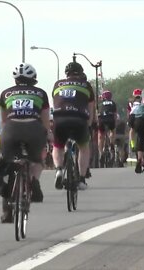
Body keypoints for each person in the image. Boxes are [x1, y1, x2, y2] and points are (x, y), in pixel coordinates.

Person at [0, 63, 50, 223]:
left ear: (16, 80)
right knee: (37, 160)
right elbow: (45, 122)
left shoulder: (5, 93)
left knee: (9, 164)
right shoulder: (41, 93)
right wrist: (48, 136)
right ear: (33, 79)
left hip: (11, 130)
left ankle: (6, 211)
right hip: (34, 129)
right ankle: (34, 181)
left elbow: (4, 122)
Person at [52, 62, 95, 190]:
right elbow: (91, 109)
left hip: (60, 119)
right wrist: (89, 125)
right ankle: (81, 179)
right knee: (83, 147)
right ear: (81, 73)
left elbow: (55, 102)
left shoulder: (57, 84)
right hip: (79, 119)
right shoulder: (86, 85)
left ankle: (59, 169)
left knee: (58, 146)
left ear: (67, 74)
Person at [97, 90, 117, 167]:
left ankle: (100, 152)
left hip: (102, 119)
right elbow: (115, 115)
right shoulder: (113, 103)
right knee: (113, 130)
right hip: (110, 119)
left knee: (100, 135)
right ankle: (111, 142)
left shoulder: (100, 104)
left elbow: (97, 113)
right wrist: (115, 123)